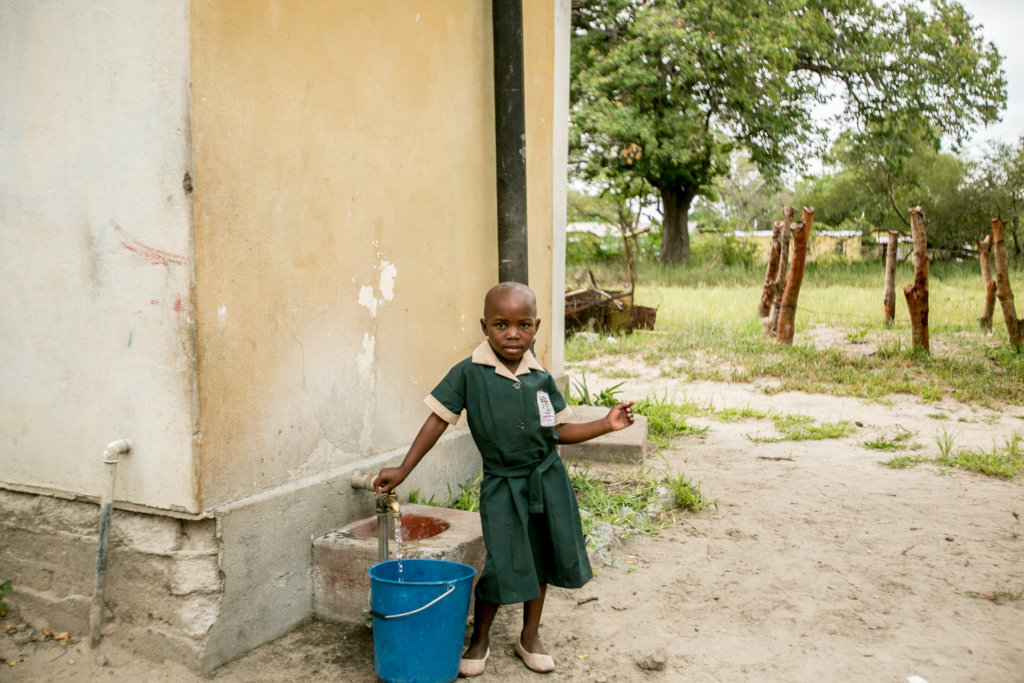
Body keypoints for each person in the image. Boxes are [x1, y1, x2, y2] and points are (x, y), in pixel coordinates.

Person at [374, 281, 635, 676]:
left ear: (536, 326)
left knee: (542, 556)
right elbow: (437, 420)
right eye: (501, 324)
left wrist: (605, 424)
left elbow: (557, 432)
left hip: (547, 481)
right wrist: (404, 468)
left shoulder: (540, 378)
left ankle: (529, 636)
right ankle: (480, 639)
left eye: (523, 325)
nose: (513, 334)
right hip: (502, 484)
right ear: (484, 326)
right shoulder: (468, 373)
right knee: (499, 562)